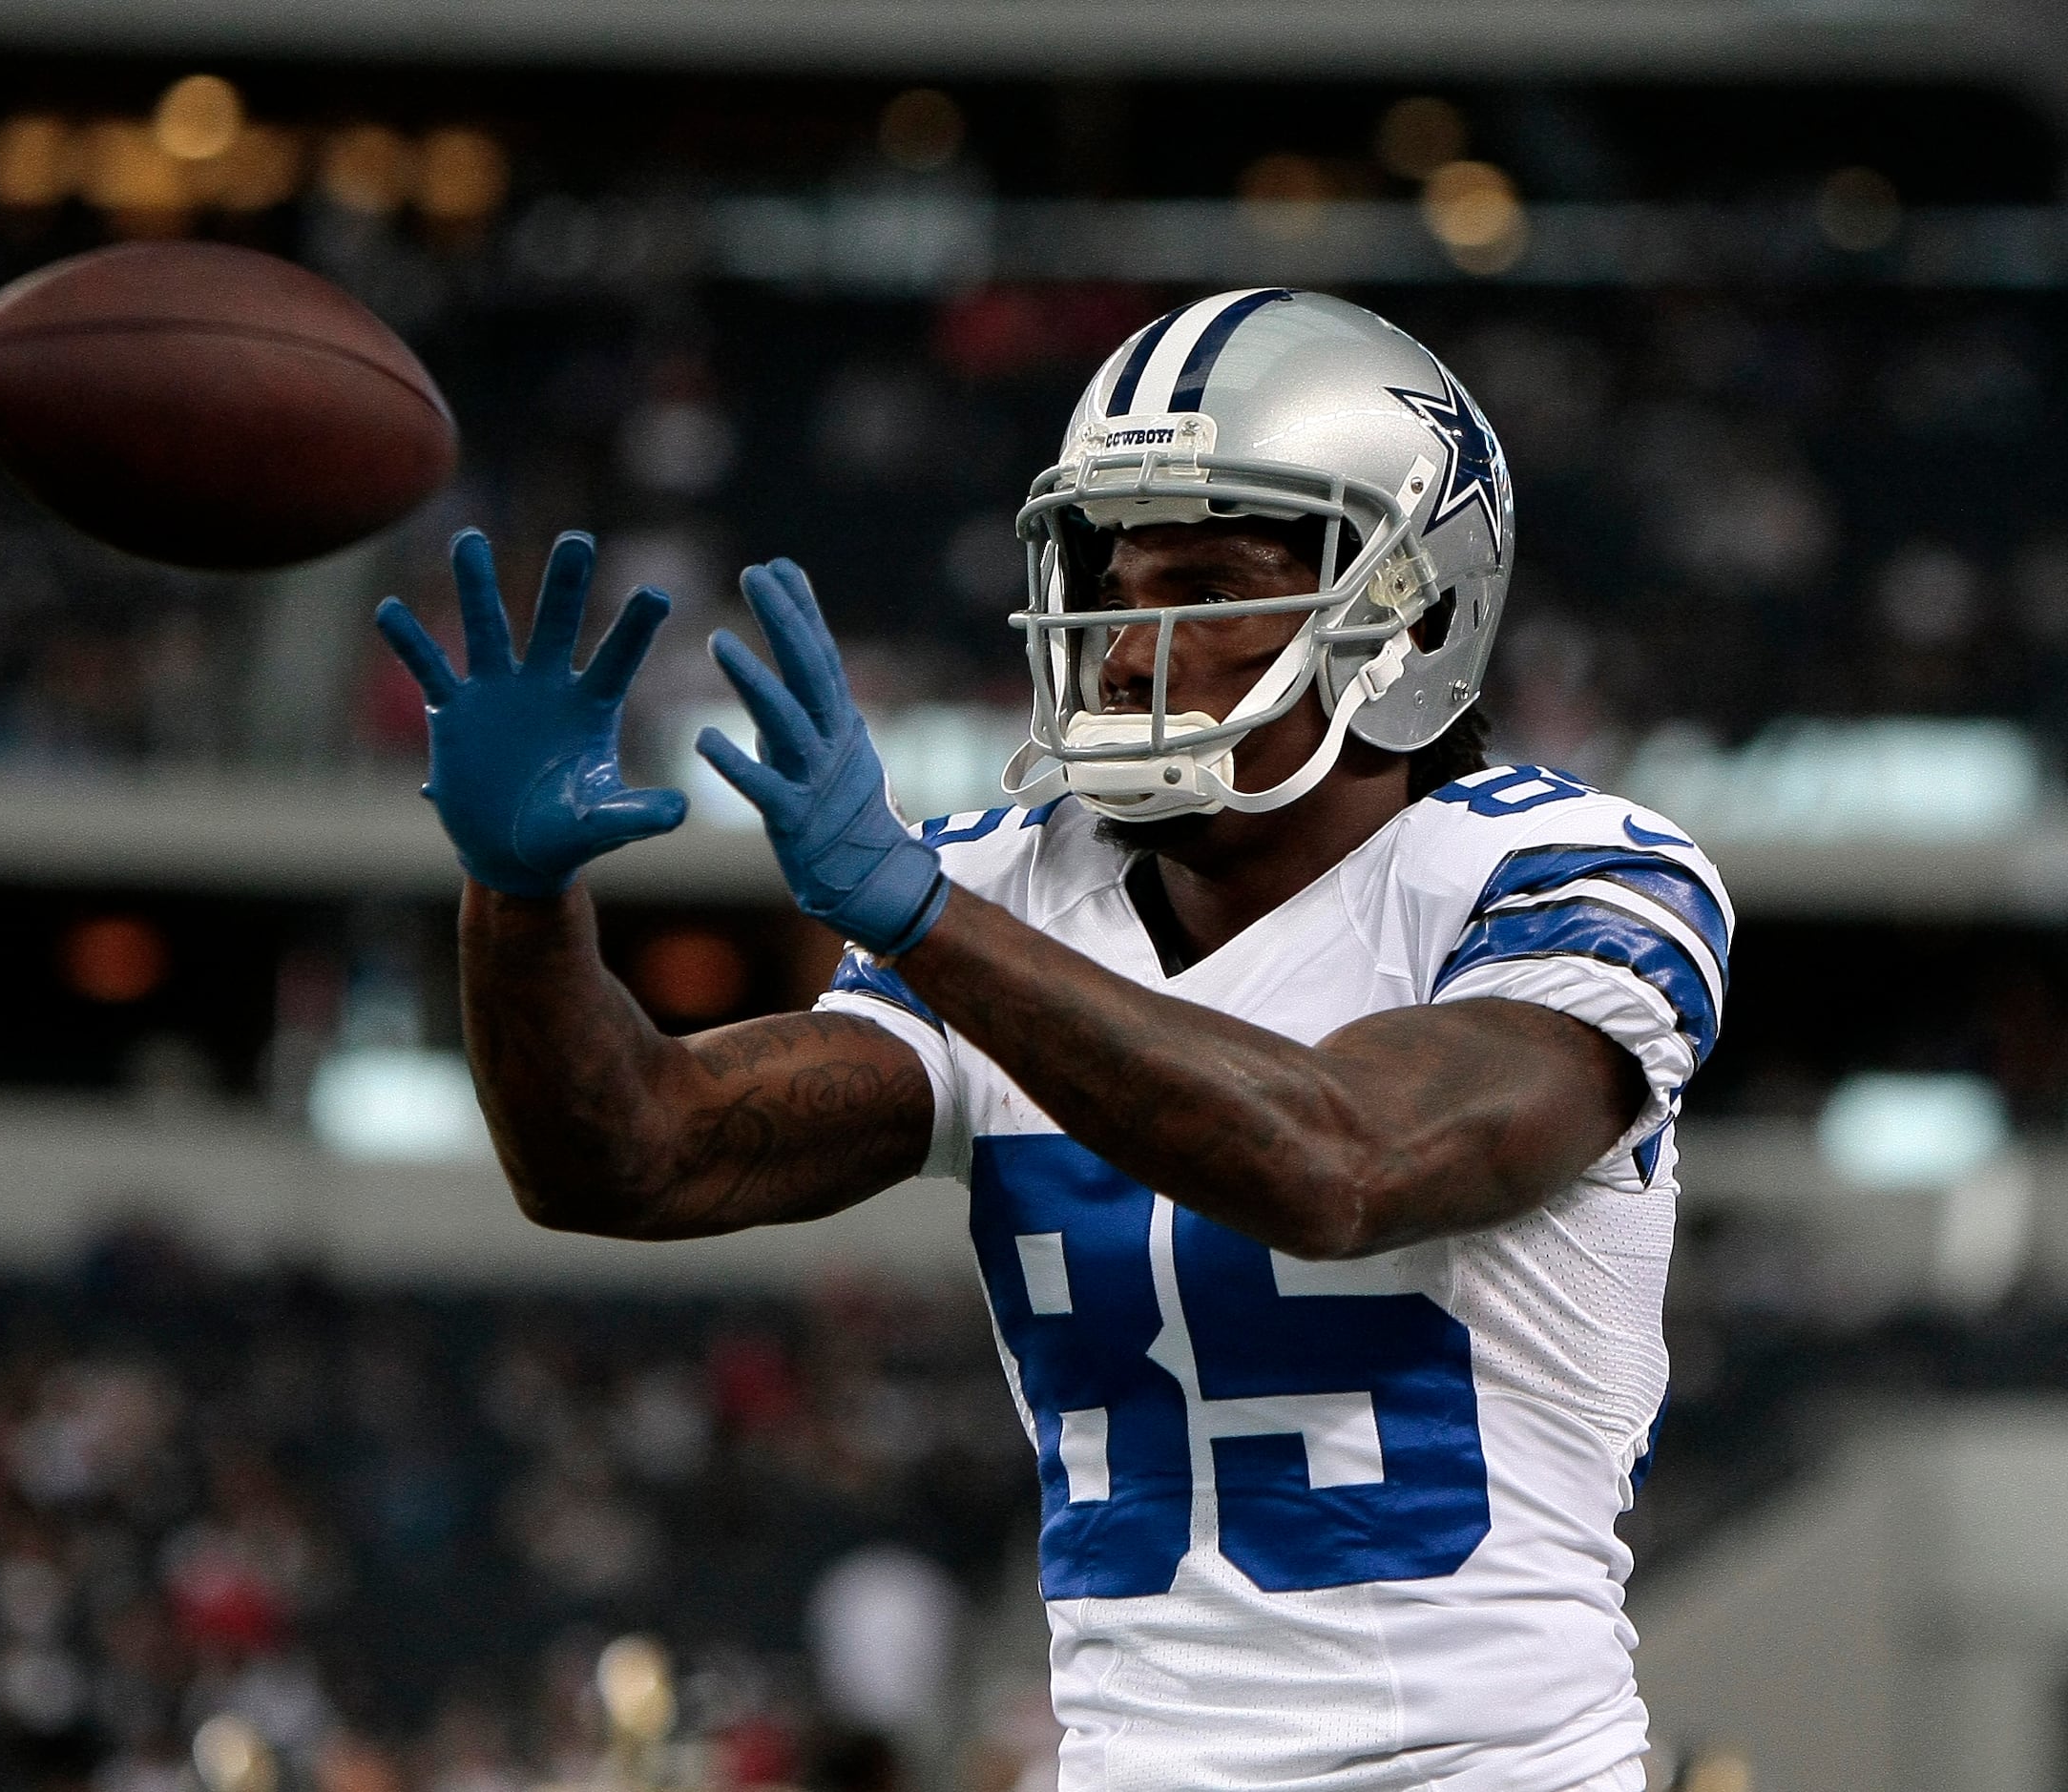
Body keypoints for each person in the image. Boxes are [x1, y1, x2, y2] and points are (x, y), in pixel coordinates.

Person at [374, 289, 1731, 1792]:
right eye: (1114, 582)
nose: (1130, 647)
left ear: (1409, 615)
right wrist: (515, 897)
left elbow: (1344, 1161)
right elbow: (627, 1156)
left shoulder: (1558, 877)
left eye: (1206, 588)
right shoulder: (1011, 891)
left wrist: (920, 918)